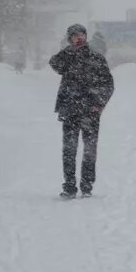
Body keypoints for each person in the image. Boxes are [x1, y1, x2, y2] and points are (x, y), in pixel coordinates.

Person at [49, 24, 114, 199]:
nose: (79, 38)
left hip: (90, 113)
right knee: (69, 150)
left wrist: (98, 104)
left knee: (89, 150)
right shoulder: (67, 58)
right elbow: (54, 63)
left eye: (81, 35)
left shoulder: (96, 58)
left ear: (86, 37)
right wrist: (69, 50)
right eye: (74, 36)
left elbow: (108, 84)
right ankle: (69, 186)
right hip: (69, 110)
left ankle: (87, 186)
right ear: (69, 39)